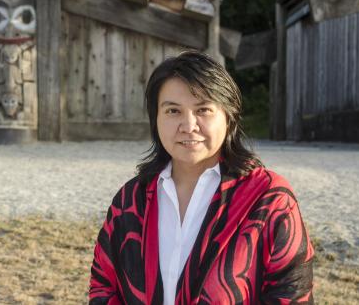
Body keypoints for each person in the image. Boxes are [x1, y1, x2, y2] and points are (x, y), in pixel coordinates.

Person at [89, 51, 314, 304]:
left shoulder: (269, 198)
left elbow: (292, 294)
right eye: (173, 111)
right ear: (156, 120)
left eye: (203, 109)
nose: (188, 125)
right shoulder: (130, 200)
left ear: (228, 118)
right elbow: (103, 285)